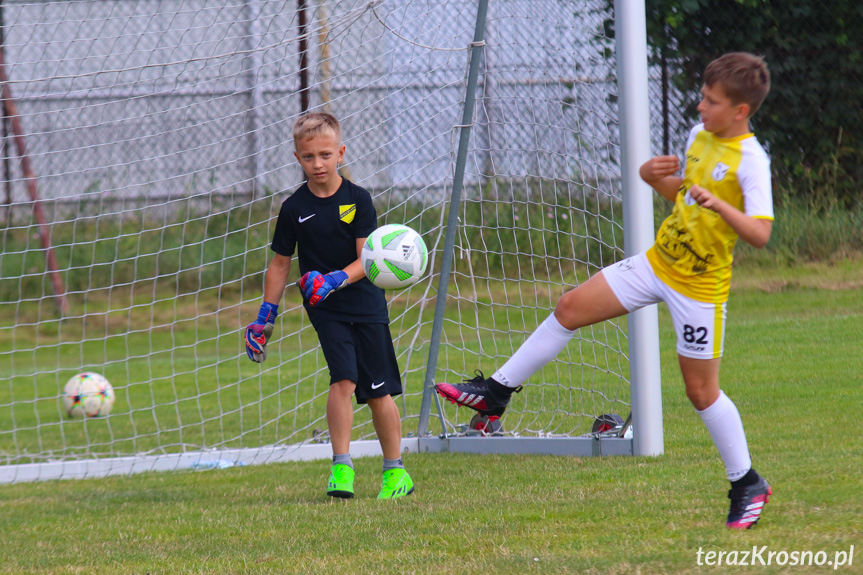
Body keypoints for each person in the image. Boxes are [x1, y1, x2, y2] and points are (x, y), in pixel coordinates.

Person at [436, 52, 773, 529]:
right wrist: (654, 179)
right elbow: (684, 198)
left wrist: (719, 202)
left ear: (740, 110)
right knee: (569, 307)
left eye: (711, 101)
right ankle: (494, 394)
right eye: (703, 96)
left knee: (701, 392)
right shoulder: (701, 137)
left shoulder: (753, 162)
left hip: (700, 288)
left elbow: (759, 233)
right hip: (656, 263)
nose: (700, 107)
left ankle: (746, 482)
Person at [244, 112, 413, 500]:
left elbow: (366, 259)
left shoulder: (359, 200)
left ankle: (395, 472)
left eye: (324, 155)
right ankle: (342, 467)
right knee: (343, 379)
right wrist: (264, 318)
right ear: (296, 157)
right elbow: (280, 265)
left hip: (366, 302)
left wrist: (336, 278)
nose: (317, 164)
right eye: (308, 157)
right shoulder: (293, 208)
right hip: (325, 308)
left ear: (340, 153)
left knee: (377, 391)